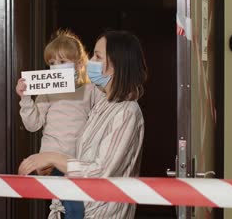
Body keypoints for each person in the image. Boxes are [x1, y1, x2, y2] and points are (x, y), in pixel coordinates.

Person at [19, 30, 147, 219]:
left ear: (115, 66)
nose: (90, 61)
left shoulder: (126, 112)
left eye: (97, 56)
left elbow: (101, 171)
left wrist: (54, 158)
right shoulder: (103, 104)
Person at [16, 30, 101, 219]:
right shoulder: (47, 92)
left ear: (78, 65)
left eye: (62, 62)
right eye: (52, 63)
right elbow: (32, 124)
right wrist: (26, 98)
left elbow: (103, 117)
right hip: (51, 161)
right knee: (72, 206)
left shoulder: (90, 91)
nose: (56, 67)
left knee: (79, 204)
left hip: (79, 161)